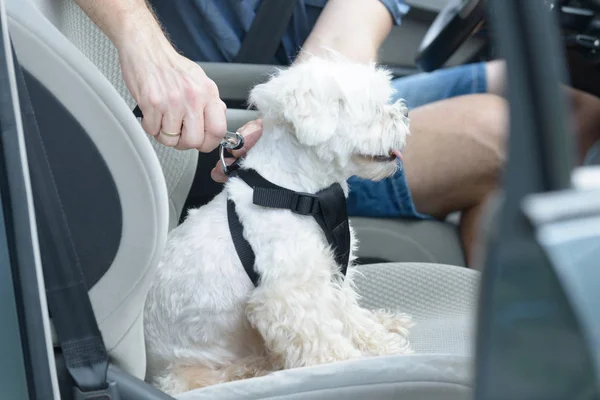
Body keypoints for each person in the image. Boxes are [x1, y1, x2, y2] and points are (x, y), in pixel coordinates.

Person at [74, 0, 600, 266]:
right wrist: (141, 41)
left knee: (559, 103)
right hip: (217, 114)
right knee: (506, 134)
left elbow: (351, 27)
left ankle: (494, 317)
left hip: (305, 94)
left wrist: (288, 114)